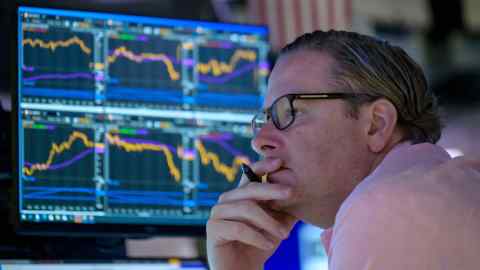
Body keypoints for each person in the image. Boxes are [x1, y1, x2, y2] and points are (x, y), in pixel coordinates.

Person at [206, 30, 480, 270]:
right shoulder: (439, 189)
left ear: (376, 124)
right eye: (264, 120)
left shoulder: (385, 208)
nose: (260, 141)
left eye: (289, 111)